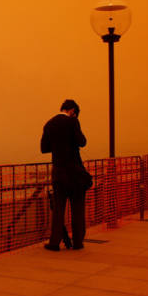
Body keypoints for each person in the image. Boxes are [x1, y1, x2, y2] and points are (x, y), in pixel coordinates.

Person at [40, 99, 88, 251]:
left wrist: (58, 146)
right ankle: (78, 242)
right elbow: (82, 142)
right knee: (78, 208)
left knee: (59, 208)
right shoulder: (72, 122)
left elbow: (44, 148)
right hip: (74, 172)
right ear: (72, 110)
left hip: (59, 172)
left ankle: (54, 242)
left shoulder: (49, 124)